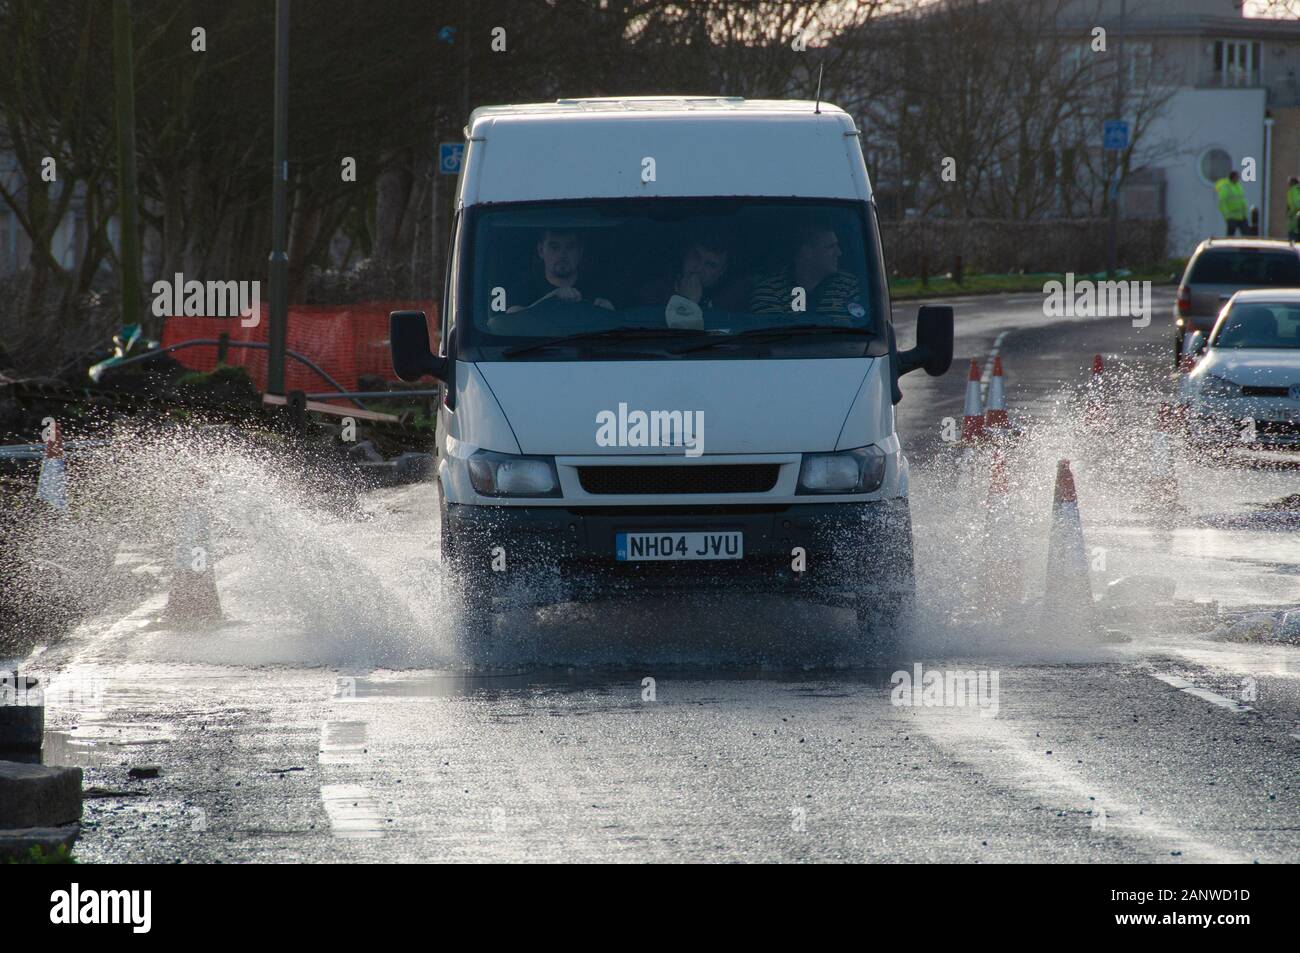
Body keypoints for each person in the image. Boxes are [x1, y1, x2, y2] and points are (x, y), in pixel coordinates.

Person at [749, 221, 862, 321]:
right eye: (830, 247)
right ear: (807, 252)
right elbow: (770, 338)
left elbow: (857, 331)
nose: (839, 253)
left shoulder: (848, 286)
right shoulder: (770, 291)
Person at [637, 234, 739, 327]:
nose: (699, 268)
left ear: (721, 271)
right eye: (696, 257)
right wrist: (686, 300)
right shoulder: (653, 293)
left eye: (710, 265)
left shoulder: (732, 304)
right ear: (685, 254)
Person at [506, 228, 613, 313]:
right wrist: (552, 298)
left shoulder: (599, 289)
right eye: (554, 247)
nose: (562, 254)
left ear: (580, 251)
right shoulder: (523, 290)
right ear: (541, 251)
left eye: (570, 247)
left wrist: (609, 314)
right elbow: (512, 321)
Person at [1214, 170, 1248, 236]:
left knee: (1246, 235)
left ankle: (1246, 246)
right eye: (1237, 177)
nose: (1238, 179)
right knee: (1230, 236)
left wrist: (1245, 213)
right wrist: (1227, 216)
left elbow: (1242, 200)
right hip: (1232, 217)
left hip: (1242, 216)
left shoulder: (1238, 186)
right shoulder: (1226, 187)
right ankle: (1228, 246)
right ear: (1233, 177)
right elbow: (1222, 202)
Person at [1286, 176, 1300, 242]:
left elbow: (1297, 204)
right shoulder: (1293, 190)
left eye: (1289, 182)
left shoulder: (1294, 190)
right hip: (1294, 218)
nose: (1288, 184)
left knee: (1293, 236)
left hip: (1295, 217)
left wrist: (1291, 213)